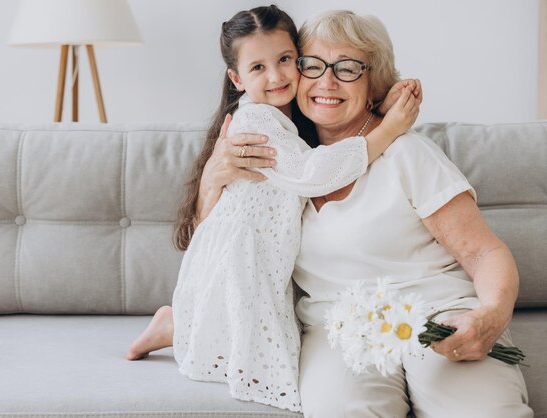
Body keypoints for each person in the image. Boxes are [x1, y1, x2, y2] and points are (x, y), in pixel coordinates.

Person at [190, 9, 533, 418]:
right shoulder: (284, 160)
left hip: (440, 315)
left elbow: (483, 253)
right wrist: (211, 181)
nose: (326, 81)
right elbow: (218, 244)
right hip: (338, 332)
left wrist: (491, 315)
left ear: (374, 84)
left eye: (348, 69)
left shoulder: (407, 153)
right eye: (312, 66)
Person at [126, 5, 419, 413]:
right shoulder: (257, 122)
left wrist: (386, 103)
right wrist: (389, 130)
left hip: (265, 246)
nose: (277, 76)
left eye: (285, 60)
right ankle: (175, 326)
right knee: (261, 344)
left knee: (245, 320)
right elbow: (312, 173)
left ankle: (174, 323)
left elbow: (351, 109)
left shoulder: (300, 114)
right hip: (246, 244)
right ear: (237, 79)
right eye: (258, 67)